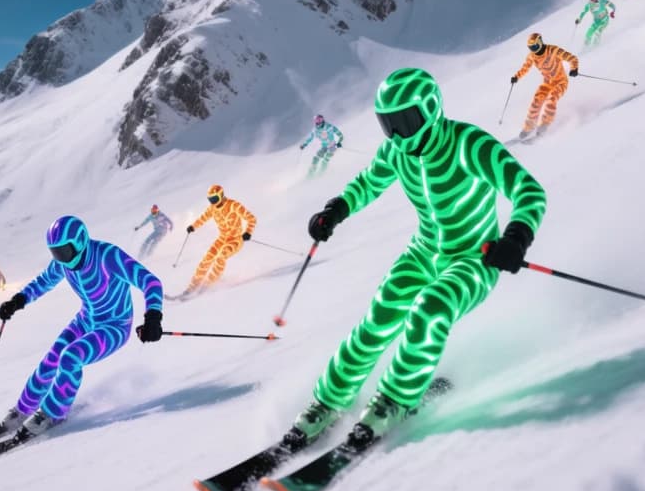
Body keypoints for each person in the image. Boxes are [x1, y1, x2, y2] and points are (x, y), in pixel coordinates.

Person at [284, 68, 545, 451]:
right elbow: (368, 183)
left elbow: (528, 191)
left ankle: (395, 400)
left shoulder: (467, 143)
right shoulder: (395, 152)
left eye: (406, 121)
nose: (398, 135)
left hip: (476, 257)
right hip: (424, 253)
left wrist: (516, 237)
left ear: (431, 109)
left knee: (430, 308)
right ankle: (328, 401)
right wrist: (335, 210)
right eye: (389, 124)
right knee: (379, 319)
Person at [0, 215, 164, 439]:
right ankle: (21, 410)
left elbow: (150, 282)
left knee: (70, 357)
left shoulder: (107, 256)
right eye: (56, 253)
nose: (61, 258)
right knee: (51, 360)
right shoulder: (62, 264)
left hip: (114, 326)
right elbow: (43, 281)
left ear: (81, 241)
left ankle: (53, 413)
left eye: (65, 251)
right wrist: (17, 301)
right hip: (86, 320)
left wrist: (153, 317)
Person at [179, 185, 257, 297]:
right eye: (210, 199)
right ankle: (193, 286)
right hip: (222, 239)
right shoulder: (212, 208)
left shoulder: (233, 205)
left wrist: (248, 232)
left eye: (214, 199)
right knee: (207, 258)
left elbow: (251, 218)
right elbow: (203, 218)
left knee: (221, 255)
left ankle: (208, 284)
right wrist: (193, 226)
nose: (213, 202)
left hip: (235, 239)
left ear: (221, 195)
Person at [510, 32, 579, 139]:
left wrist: (574, 68)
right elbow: (525, 68)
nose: (534, 50)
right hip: (547, 83)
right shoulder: (532, 56)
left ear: (540, 42)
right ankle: (529, 126)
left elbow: (571, 58)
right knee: (537, 100)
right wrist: (516, 77)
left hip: (561, 81)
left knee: (552, 99)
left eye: (535, 46)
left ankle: (544, 126)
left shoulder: (552, 50)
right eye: (531, 48)